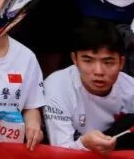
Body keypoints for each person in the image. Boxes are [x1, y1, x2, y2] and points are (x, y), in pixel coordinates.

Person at [43, 19, 134, 153]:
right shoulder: (56, 87)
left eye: (108, 62)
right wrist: (83, 143)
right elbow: (60, 151)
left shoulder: (130, 89)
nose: (98, 71)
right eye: (88, 61)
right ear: (74, 59)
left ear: (121, 63)